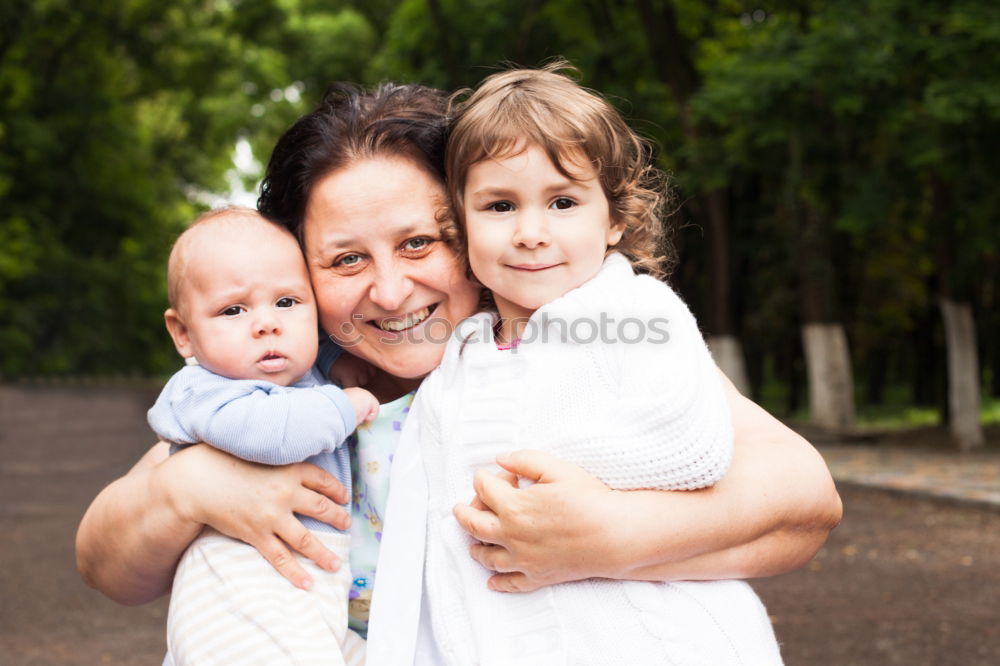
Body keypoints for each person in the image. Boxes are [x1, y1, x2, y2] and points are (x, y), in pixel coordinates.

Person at [75, 78, 842, 665]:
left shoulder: (564, 349)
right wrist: (187, 486)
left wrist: (614, 537)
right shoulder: (288, 392)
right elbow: (107, 563)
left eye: (419, 244)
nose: (392, 290)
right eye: (345, 259)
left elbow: (802, 498)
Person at [414, 63, 781, 665]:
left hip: (671, 642)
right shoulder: (462, 354)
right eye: (500, 205)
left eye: (563, 201)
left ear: (612, 219)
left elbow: (694, 449)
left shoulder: (637, 313)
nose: (531, 232)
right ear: (460, 219)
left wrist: (557, 504)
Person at [147, 207, 377, 664]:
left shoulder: (294, 373)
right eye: (233, 310)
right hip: (240, 582)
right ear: (183, 334)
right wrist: (344, 404)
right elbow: (272, 433)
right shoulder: (203, 392)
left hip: (308, 588)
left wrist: (339, 361)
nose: (267, 323)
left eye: (288, 302)